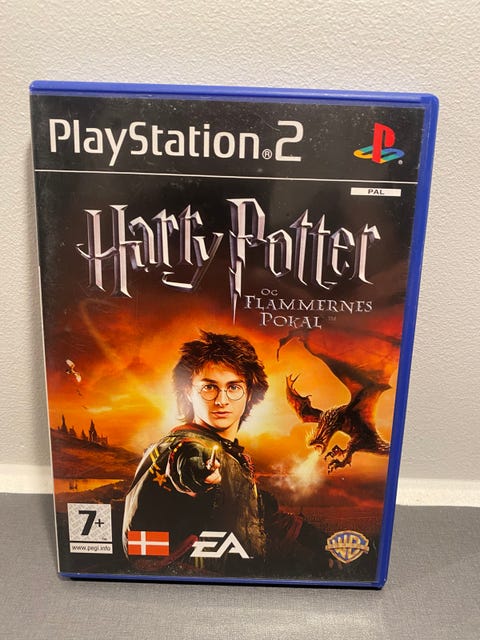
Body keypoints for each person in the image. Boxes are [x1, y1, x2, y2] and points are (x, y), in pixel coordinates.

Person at [122, 331, 320, 577]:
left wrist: (328, 546)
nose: (221, 400)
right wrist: (198, 472)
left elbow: (265, 521)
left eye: (233, 387)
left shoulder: (232, 458)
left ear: (249, 393)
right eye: (209, 387)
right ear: (188, 391)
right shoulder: (181, 447)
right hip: (189, 585)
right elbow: (188, 460)